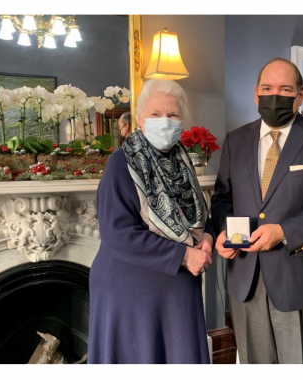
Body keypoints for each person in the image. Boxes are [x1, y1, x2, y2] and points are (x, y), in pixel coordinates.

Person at [212, 57, 303, 364]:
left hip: (296, 274)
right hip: (244, 274)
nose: (275, 95)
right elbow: (223, 199)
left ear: (301, 95)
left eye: (286, 89)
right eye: (267, 87)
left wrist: (284, 231)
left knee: (296, 361)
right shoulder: (236, 140)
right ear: (255, 93)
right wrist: (223, 232)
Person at [89, 79, 214, 364]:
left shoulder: (182, 161)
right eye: (156, 114)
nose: (165, 121)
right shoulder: (121, 163)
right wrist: (184, 255)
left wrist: (206, 236)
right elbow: (118, 234)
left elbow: (195, 214)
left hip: (176, 291)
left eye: (173, 115)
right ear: (140, 119)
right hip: (132, 294)